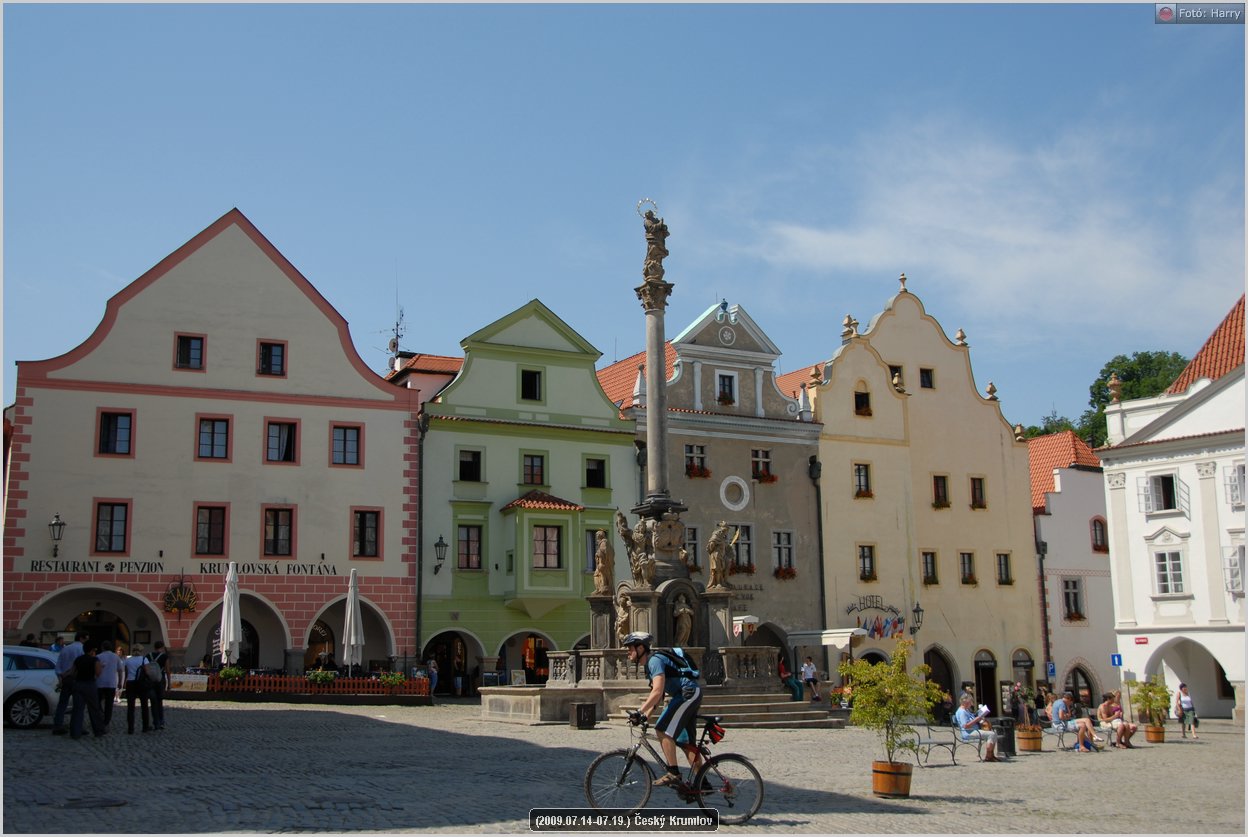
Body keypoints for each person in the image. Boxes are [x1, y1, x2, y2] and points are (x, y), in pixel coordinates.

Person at [621, 632, 704, 788]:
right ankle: (703, 784)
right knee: (685, 742)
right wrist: (645, 716)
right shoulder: (651, 665)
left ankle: (673, 773)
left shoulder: (654, 661)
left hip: (687, 693)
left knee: (662, 729)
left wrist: (639, 711)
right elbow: (657, 699)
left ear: (640, 648)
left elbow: (657, 691)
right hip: (689, 694)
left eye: (629, 648)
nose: (627, 652)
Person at [50, 630, 88, 735]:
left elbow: (58, 666)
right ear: (81, 638)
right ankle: (77, 726)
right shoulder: (82, 649)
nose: (86, 641)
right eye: (86, 639)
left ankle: (57, 725)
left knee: (62, 703)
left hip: (66, 679)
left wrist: (60, 679)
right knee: (78, 704)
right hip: (77, 679)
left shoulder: (65, 649)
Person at [68, 643, 106, 739]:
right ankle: (98, 730)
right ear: (91, 651)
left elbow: (72, 673)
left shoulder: (78, 659)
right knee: (94, 708)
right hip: (89, 684)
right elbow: (98, 673)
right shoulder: (94, 660)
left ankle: (75, 732)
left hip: (78, 684)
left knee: (77, 709)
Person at [954, 693, 1002, 761]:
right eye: (970, 702)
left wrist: (979, 715)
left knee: (993, 733)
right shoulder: (962, 712)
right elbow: (965, 726)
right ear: (965, 702)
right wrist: (978, 718)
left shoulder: (966, 710)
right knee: (991, 734)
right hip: (969, 733)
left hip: (974, 730)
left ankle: (991, 755)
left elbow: (971, 719)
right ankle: (989, 756)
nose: (971, 704)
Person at [95, 640, 125, 730]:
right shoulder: (115, 657)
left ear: (102, 647)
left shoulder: (98, 657)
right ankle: (106, 720)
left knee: (97, 702)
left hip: (99, 683)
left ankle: (99, 716)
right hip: (111, 683)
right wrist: (120, 682)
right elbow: (120, 670)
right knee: (109, 704)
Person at [123, 642, 153, 734]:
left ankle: (130, 728)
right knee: (144, 706)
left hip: (130, 683)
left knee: (130, 707)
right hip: (142, 684)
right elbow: (148, 672)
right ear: (141, 651)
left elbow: (126, 672)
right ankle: (145, 727)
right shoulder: (144, 659)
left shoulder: (128, 660)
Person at [148, 641, 170, 730]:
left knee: (153, 702)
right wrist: (169, 684)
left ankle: (155, 722)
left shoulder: (148, 656)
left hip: (150, 681)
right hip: (160, 680)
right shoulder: (165, 657)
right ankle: (161, 722)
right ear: (162, 647)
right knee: (159, 702)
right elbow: (168, 670)